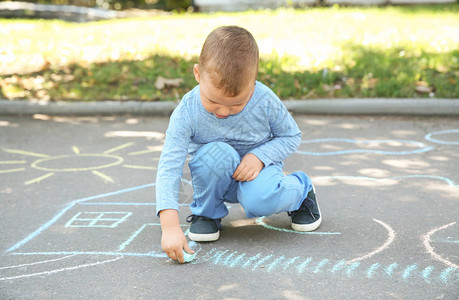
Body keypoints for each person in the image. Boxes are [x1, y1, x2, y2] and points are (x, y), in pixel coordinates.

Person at [156, 25, 321, 263]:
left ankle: (301, 190)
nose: (224, 111)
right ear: (197, 74)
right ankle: (207, 213)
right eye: (214, 101)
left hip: (257, 172)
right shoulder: (187, 111)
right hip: (215, 174)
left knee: (259, 201)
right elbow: (169, 165)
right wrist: (170, 226)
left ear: (253, 84)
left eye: (236, 104)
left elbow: (291, 136)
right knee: (214, 153)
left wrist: (259, 156)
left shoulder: (264, 100)